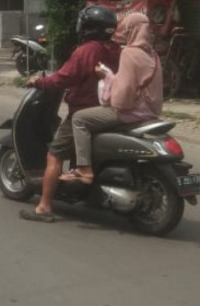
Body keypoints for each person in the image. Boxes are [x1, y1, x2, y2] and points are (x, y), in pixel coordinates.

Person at [19, 5, 121, 223]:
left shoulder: (86, 50)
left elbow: (62, 79)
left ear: (87, 27)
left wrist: (39, 81)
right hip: (110, 109)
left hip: (83, 111)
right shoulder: (116, 49)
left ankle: (44, 207)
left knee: (54, 155)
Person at [61, 13, 163, 184]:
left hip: (133, 111)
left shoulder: (130, 53)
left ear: (131, 30)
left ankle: (84, 169)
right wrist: (109, 75)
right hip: (151, 112)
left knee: (79, 119)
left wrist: (106, 79)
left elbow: (123, 98)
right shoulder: (153, 54)